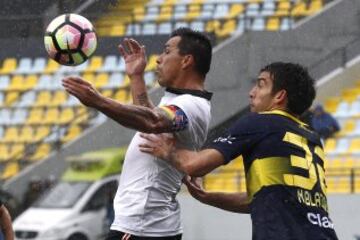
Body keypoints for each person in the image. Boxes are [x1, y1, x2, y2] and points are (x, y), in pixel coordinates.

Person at [139, 62, 339, 240]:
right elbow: (261, 199)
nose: (251, 92)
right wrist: (209, 197)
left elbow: (195, 165)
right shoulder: (311, 136)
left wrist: (167, 150)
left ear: (279, 96)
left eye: (260, 84)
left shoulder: (259, 122)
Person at [62, 27, 213, 240]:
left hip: (144, 226)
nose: (158, 59)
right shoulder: (181, 101)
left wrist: (98, 101)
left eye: (166, 52)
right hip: (145, 225)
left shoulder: (191, 105)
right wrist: (136, 77)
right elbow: (151, 119)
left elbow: (151, 121)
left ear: (186, 61)